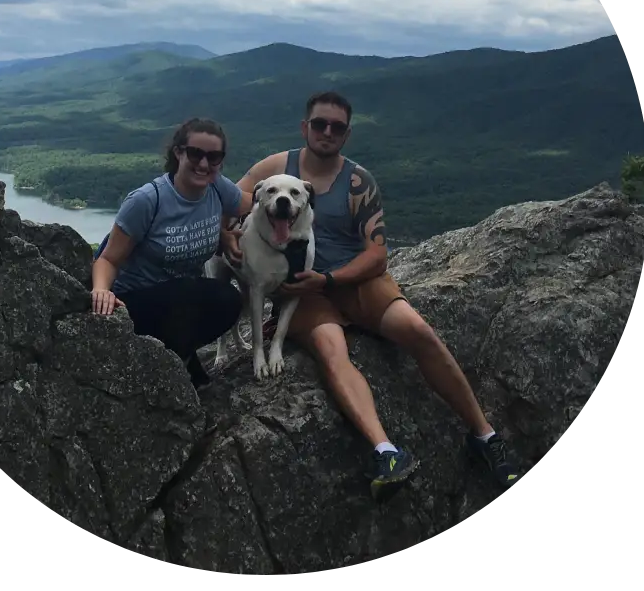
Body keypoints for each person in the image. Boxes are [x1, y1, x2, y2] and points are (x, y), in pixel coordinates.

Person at [221, 91, 522, 498]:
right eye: (319, 124)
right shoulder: (276, 168)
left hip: (351, 281)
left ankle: (485, 436)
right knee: (331, 350)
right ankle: (386, 451)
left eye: (337, 127)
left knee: (418, 331)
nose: (327, 132)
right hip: (301, 290)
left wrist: (329, 281)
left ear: (346, 134)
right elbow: (229, 201)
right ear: (305, 127)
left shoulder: (359, 181)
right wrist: (226, 235)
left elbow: (378, 253)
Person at [92, 117, 253, 389]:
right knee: (194, 294)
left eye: (213, 157)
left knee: (228, 301)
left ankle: (178, 356)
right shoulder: (147, 200)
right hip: (132, 301)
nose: (204, 164)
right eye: (195, 153)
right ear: (178, 153)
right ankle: (178, 366)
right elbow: (108, 258)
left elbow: (259, 201)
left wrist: (222, 233)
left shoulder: (217, 187)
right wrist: (101, 291)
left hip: (177, 302)